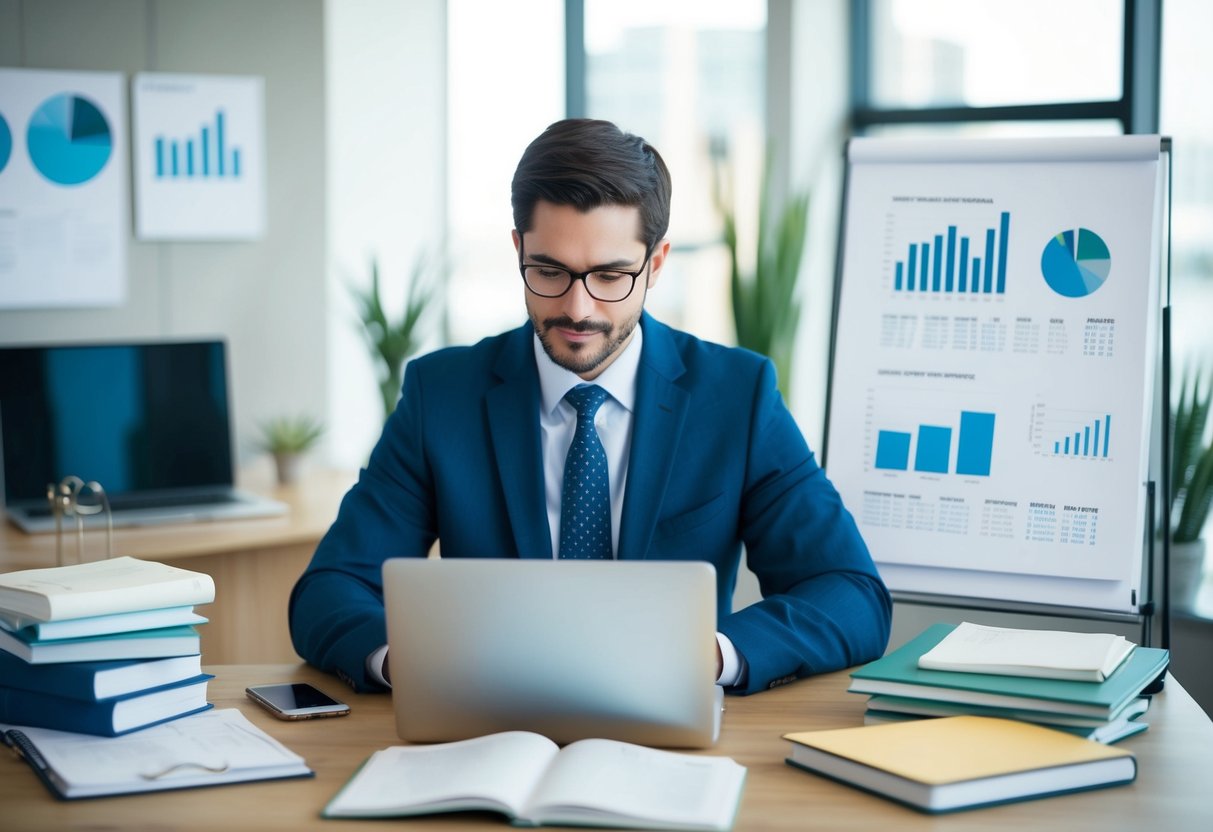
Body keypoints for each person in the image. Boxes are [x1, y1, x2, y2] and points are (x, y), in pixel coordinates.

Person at [289, 118, 891, 694]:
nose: (578, 308)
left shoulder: (737, 395)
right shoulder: (441, 395)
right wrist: (412, 663)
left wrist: (706, 655)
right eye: (549, 270)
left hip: (672, 727)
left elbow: (850, 592)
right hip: (488, 726)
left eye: (610, 276)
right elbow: (331, 589)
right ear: (518, 249)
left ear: (655, 263)